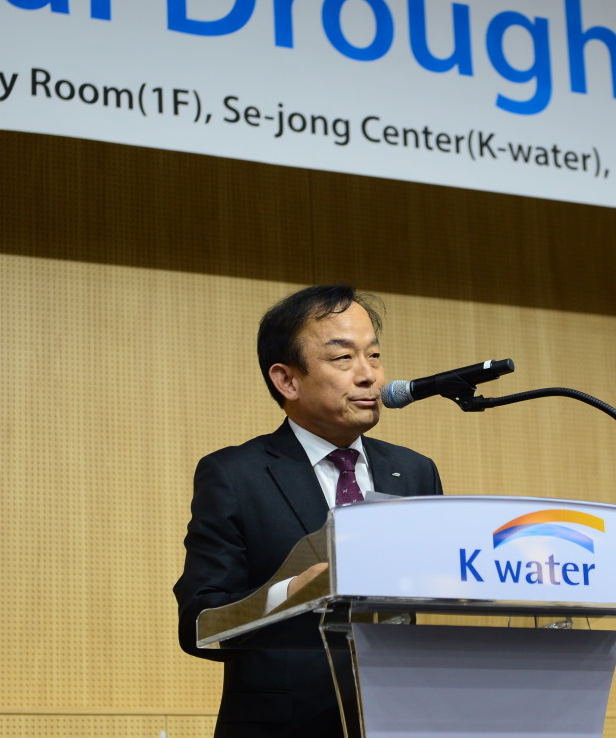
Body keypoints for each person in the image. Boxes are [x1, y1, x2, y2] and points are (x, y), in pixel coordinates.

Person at [174, 285, 443, 738]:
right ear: (287, 380)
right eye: (343, 359)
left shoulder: (414, 472)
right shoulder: (235, 475)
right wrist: (289, 594)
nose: (369, 377)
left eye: (373, 356)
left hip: (403, 718)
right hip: (286, 724)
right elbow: (199, 620)